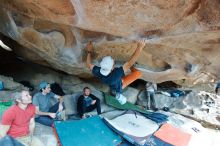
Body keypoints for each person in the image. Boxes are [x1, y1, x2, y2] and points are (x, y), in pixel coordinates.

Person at [86, 40, 146, 104]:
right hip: (120, 84)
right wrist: (140, 47)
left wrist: (89, 51)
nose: (114, 60)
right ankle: (132, 68)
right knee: (138, 73)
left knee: (126, 71)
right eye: (113, 63)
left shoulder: (98, 71)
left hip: (114, 84)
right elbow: (129, 63)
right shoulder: (116, 74)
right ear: (112, 68)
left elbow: (89, 65)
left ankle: (117, 93)